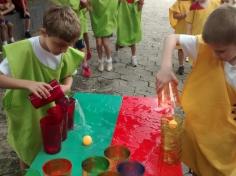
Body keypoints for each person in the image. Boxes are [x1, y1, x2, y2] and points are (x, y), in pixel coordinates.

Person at [0, 5, 84, 170]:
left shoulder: (63, 50)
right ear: (43, 32)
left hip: (49, 110)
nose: (64, 50)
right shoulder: (23, 50)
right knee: (27, 147)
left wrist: (66, 86)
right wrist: (28, 84)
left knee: (46, 145)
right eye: (60, 45)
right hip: (25, 112)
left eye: (69, 45)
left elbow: (69, 72)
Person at [156, 5, 236, 176]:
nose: (214, 55)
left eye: (221, 51)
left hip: (223, 151)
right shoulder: (207, 46)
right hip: (196, 139)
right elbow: (171, 38)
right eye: (212, 49)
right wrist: (165, 66)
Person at [89, 0, 118, 72]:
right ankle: (100, 61)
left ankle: (109, 60)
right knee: (98, 43)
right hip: (97, 20)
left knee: (105, 43)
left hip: (107, 21)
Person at [114, 0, 144, 67]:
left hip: (133, 11)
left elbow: (141, 3)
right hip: (123, 10)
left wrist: (140, 5)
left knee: (133, 35)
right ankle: (116, 53)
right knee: (121, 34)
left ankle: (133, 57)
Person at [169, 0, 191, 75]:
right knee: (180, 48)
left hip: (192, 30)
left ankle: (195, 64)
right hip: (181, 29)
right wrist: (184, 15)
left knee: (193, 47)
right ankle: (181, 66)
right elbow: (174, 15)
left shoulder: (194, 2)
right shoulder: (179, 2)